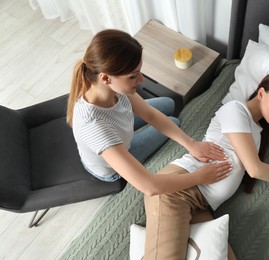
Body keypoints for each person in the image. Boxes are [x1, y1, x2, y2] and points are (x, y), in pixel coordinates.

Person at [143, 71, 269, 260]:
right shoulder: (236, 110)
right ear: (262, 93)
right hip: (178, 191)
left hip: (201, 206)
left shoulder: (261, 132)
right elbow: (254, 169)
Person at [66, 29, 232, 195]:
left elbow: (150, 114)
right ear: (105, 78)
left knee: (168, 103)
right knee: (174, 122)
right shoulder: (95, 128)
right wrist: (199, 177)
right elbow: (150, 186)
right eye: (133, 76)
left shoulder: (111, 89)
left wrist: (192, 144)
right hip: (111, 165)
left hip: (119, 127)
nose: (141, 80)